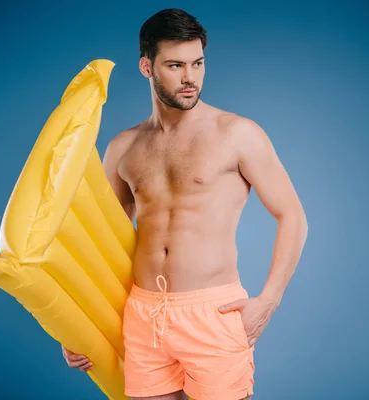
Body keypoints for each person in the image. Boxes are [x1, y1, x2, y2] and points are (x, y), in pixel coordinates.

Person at [62, 8, 308, 400]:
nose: (190, 77)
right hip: (143, 314)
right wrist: (80, 322)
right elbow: (105, 240)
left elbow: (292, 216)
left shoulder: (237, 134)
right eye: (175, 65)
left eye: (198, 63)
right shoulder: (122, 147)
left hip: (212, 313)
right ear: (147, 66)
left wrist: (268, 301)